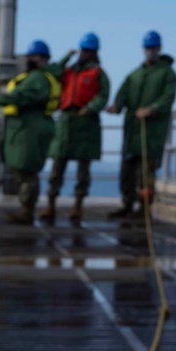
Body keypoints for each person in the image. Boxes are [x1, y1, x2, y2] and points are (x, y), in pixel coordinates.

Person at [0, 40, 61, 225]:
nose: (31, 59)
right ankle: (25, 207)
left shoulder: (37, 78)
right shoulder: (38, 77)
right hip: (27, 127)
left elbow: (23, 95)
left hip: (30, 128)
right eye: (30, 56)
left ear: (44, 59)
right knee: (23, 168)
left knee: (27, 169)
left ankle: (27, 210)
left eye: (35, 56)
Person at [106, 31, 176, 220]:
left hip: (151, 134)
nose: (150, 51)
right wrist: (116, 106)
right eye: (147, 48)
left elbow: (168, 98)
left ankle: (144, 210)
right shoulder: (135, 75)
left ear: (159, 48)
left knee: (145, 174)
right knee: (127, 172)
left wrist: (152, 109)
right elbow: (123, 94)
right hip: (132, 133)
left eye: (153, 48)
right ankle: (127, 205)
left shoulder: (167, 74)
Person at [43, 33, 110, 227]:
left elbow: (103, 95)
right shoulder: (68, 71)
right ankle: (50, 204)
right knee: (57, 166)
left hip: (86, 123)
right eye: (83, 50)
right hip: (65, 121)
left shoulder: (98, 73)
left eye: (88, 51)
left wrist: (90, 108)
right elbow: (51, 71)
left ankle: (78, 206)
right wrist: (65, 57)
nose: (84, 54)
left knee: (83, 170)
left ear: (95, 53)